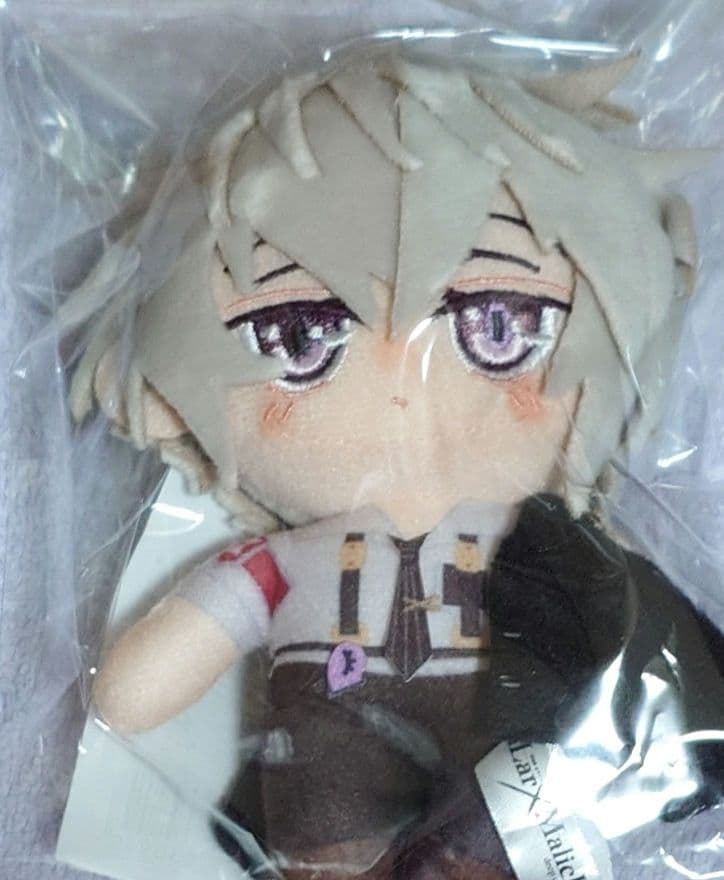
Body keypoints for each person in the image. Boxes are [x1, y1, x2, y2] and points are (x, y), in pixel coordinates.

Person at [70, 52, 723, 879]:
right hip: (334, 771)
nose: (398, 373)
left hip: (506, 771)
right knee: (332, 823)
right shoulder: (284, 561)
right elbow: (130, 693)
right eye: (299, 335)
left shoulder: (550, 544)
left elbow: (637, 642)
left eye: (499, 325)